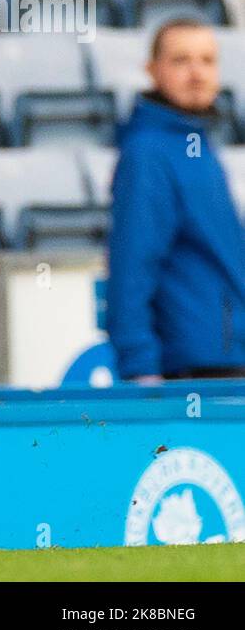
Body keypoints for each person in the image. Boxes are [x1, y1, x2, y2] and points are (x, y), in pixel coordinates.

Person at [107, 19, 245, 382]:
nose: (197, 72)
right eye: (181, 60)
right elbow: (132, 264)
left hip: (226, 356)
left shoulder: (198, 144)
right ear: (153, 70)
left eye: (207, 60)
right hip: (194, 368)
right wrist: (139, 368)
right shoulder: (147, 153)